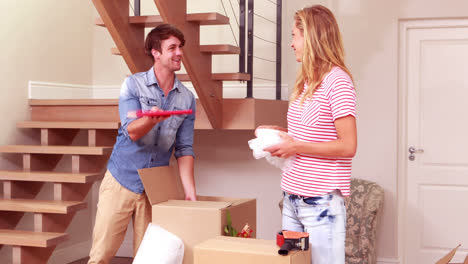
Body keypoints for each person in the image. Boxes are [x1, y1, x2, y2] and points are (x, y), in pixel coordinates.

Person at [88, 24, 197, 264]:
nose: (179, 53)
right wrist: (149, 120)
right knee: (101, 256)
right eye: (172, 48)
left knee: (149, 259)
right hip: (121, 180)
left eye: (180, 47)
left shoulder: (187, 98)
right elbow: (132, 132)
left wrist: (189, 192)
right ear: (156, 53)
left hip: (155, 189)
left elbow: (185, 149)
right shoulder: (133, 85)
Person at [257, 5, 357, 264]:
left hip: (321, 206)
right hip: (291, 201)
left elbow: (348, 146)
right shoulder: (305, 83)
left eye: (294, 36)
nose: (291, 44)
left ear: (311, 38)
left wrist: (296, 147)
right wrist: (276, 134)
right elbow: (305, 135)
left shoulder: (339, 82)